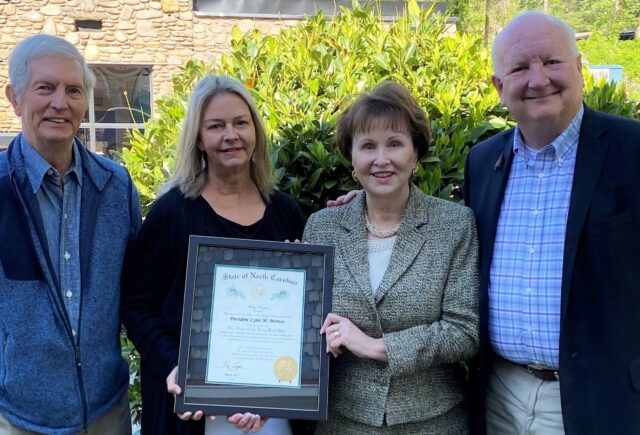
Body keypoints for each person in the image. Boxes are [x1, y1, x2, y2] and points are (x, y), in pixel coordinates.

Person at [463, 12, 640, 435]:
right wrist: (374, 202)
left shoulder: (633, 150)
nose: (538, 79)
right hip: (499, 396)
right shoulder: (483, 161)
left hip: (601, 398)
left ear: (580, 68)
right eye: (521, 68)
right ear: (499, 87)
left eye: (552, 62)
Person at [120, 75, 306, 435]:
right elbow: (136, 305)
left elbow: (306, 316)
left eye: (240, 122)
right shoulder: (171, 213)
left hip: (272, 412)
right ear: (199, 139)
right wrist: (176, 365)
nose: (230, 135)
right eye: (216, 126)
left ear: (256, 132)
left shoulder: (286, 212)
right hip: (193, 412)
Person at [303, 81, 479, 434]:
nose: (381, 159)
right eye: (367, 146)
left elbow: (464, 332)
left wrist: (374, 347)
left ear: (415, 154)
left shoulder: (454, 225)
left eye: (395, 144)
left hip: (433, 423)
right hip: (342, 422)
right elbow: (306, 329)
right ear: (351, 158)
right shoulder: (322, 228)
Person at [0, 35, 140, 434]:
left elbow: (139, 290)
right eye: (46, 88)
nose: (60, 103)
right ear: (15, 97)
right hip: (19, 419)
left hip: (106, 415)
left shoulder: (116, 186)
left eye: (73, 90)